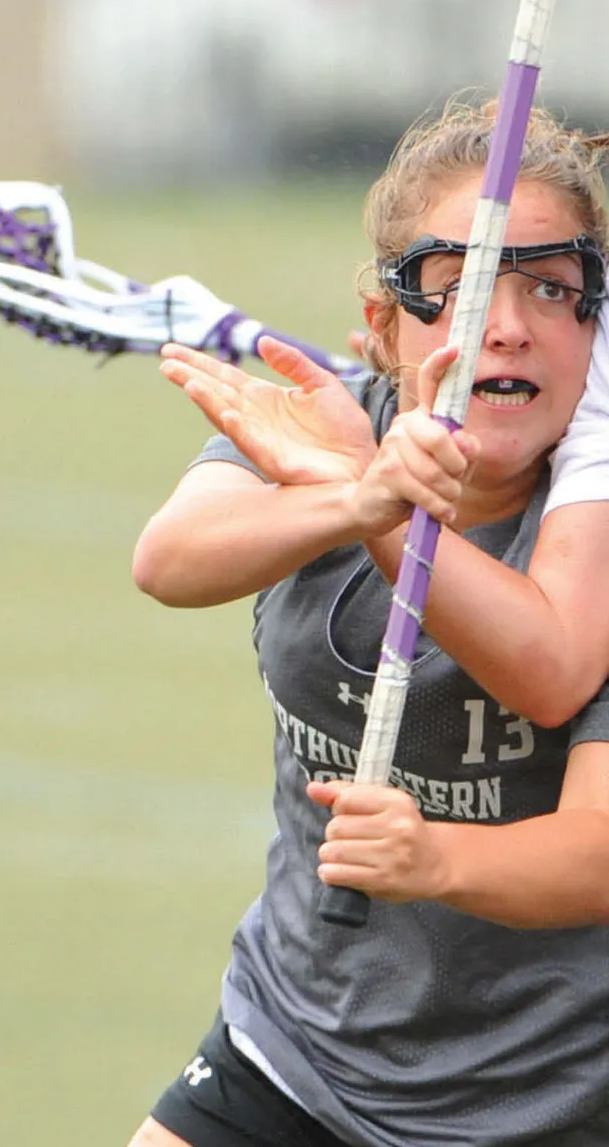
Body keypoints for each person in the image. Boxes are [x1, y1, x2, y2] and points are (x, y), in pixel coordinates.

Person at [127, 100, 609, 1147]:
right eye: (457, 286)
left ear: (596, 326)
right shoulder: (331, 422)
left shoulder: (592, 542)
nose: (507, 324)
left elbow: (601, 850)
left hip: (545, 1103)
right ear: (385, 326)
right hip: (294, 1049)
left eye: (551, 287)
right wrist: (359, 496)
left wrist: (435, 860)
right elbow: (169, 560)